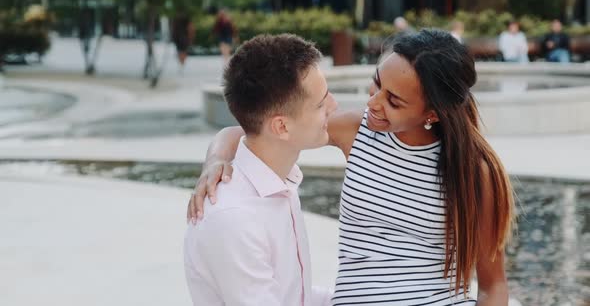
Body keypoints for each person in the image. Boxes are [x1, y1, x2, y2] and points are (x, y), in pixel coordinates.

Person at [188, 29, 516, 305]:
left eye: (394, 101)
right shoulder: (358, 131)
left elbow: (493, 284)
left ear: (432, 114)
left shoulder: (474, 172)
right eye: (377, 84)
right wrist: (216, 159)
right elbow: (261, 128)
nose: (374, 103)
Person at [184, 34, 337, 305]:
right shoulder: (235, 218)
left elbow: (294, 295)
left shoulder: (279, 183)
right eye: (321, 103)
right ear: (281, 127)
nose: (333, 106)